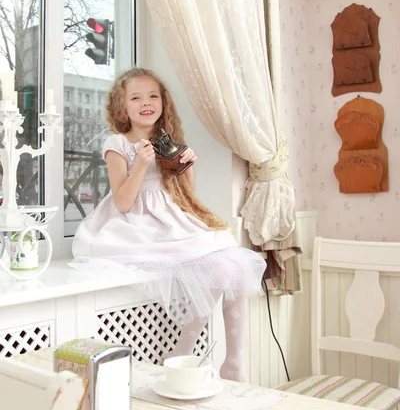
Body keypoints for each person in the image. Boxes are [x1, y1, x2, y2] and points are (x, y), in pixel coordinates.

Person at [72, 67, 266, 383]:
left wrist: (186, 165)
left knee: (232, 263)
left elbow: (185, 193)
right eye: (135, 97)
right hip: (135, 223)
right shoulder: (117, 143)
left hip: (170, 218)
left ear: (163, 102)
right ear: (123, 106)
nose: (145, 103)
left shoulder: (167, 141)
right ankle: (184, 352)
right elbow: (122, 202)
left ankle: (234, 360)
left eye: (153, 96)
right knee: (219, 266)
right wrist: (142, 164)